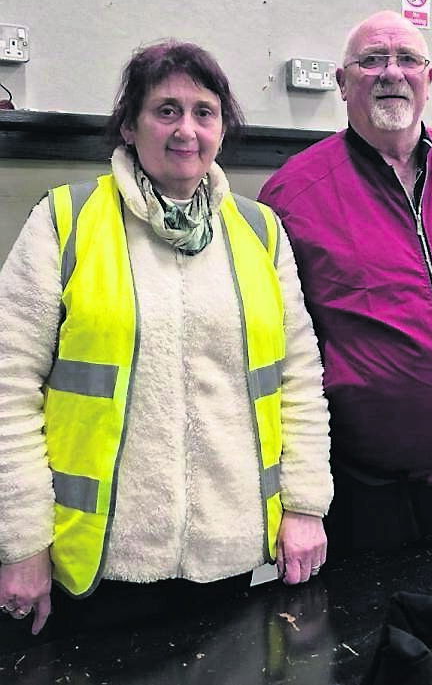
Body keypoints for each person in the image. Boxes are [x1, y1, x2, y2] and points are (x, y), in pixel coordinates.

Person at [0, 40, 332, 641]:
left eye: (204, 112)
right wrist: (20, 543)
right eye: (166, 110)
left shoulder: (260, 233)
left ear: (223, 128)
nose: (187, 130)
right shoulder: (65, 221)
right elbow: (7, 389)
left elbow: (299, 382)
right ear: (129, 125)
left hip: (231, 557)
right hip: (98, 565)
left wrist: (306, 507)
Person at [259, 10, 432, 557]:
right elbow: (280, 358)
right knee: (370, 639)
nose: (392, 73)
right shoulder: (293, 197)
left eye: (408, 60)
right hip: (364, 492)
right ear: (343, 84)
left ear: (428, 80)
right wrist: (297, 499)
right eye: (371, 61)